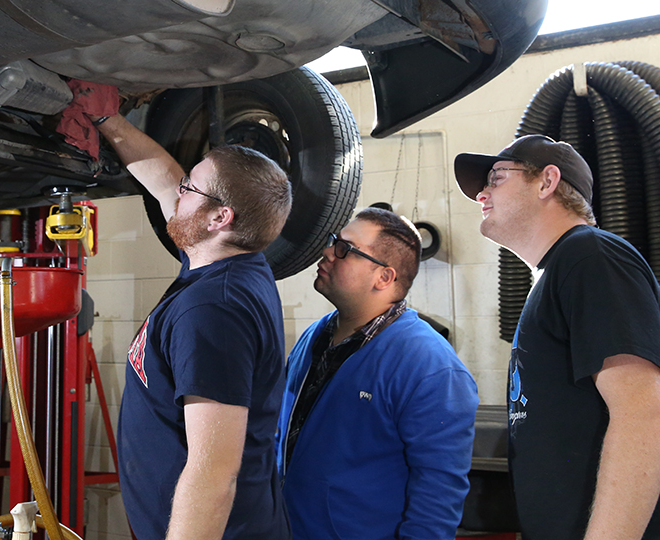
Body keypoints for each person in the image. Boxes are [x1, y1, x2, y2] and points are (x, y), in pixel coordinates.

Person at [454, 134, 660, 540]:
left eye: (496, 178)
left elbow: (643, 417)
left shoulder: (590, 256)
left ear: (546, 182)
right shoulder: (560, 269)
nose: (481, 194)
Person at [73, 82, 293, 540]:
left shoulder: (213, 310)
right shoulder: (225, 262)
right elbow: (165, 181)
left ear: (220, 219)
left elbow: (213, 474)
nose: (179, 192)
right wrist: (105, 120)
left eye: (191, 189)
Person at [276, 207, 479, 540]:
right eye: (332, 242)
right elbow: (281, 433)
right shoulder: (313, 338)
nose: (327, 252)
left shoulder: (427, 364)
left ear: (384, 277)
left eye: (344, 249)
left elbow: (438, 494)